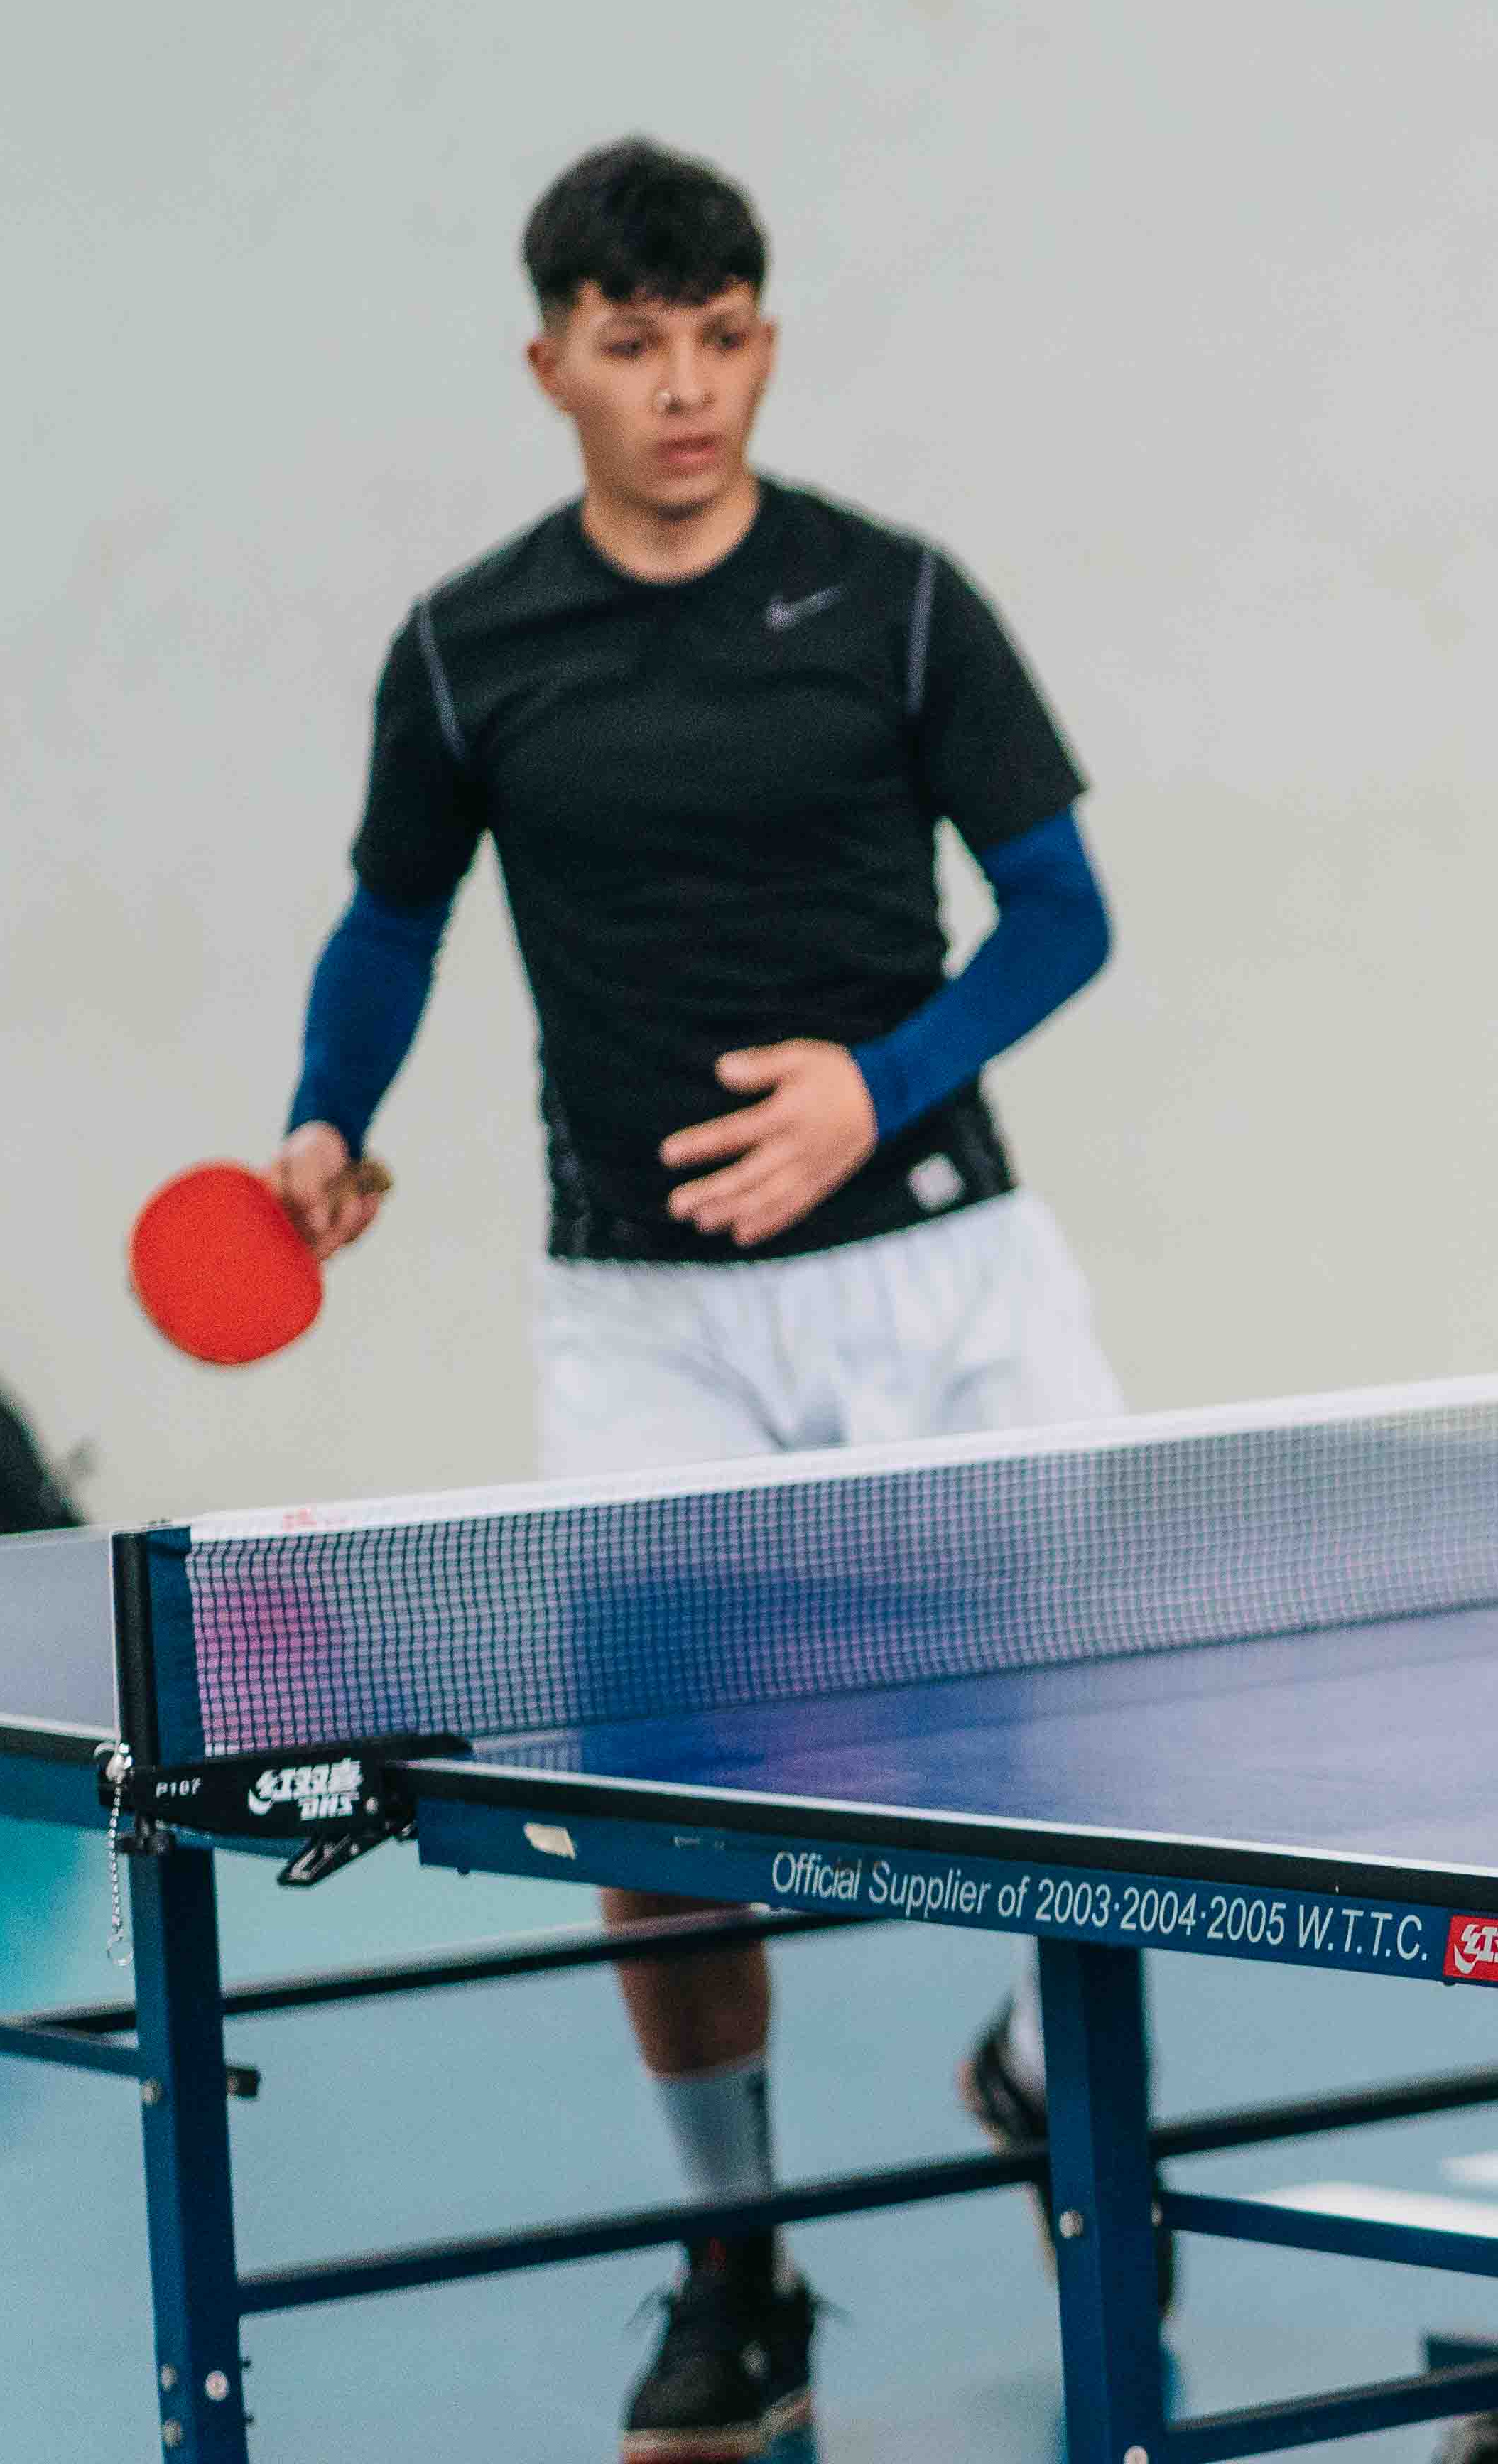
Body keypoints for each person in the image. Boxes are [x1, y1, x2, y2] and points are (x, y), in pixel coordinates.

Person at [270, 140, 1124, 2464]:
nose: (684, 387)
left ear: (764, 343)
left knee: (1120, 1743)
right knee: (651, 1812)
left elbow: (1063, 913)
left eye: (721, 338)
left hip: (944, 1272)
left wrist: (877, 1088)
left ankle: (1045, 2070)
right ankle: (739, 2270)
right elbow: (393, 919)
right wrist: (328, 1119)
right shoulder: (469, 648)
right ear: (549, 361)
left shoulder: (898, 605)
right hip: (644, 1317)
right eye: (632, 344)